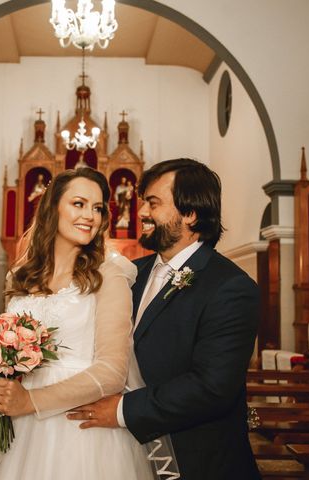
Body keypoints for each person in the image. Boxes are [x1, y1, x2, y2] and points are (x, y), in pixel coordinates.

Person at [67, 158, 261, 480]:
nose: (141, 212)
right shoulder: (131, 274)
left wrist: (121, 410)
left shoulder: (231, 287)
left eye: (153, 203)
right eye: (143, 202)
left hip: (197, 462)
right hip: (125, 457)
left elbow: (212, 387)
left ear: (190, 214)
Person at [0, 168, 154, 480]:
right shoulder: (22, 275)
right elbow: (6, 359)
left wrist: (31, 401)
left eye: (97, 208)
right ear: (53, 206)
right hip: (20, 431)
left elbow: (112, 372)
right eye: (79, 204)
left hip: (80, 430)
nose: (90, 216)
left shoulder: (109, 275)